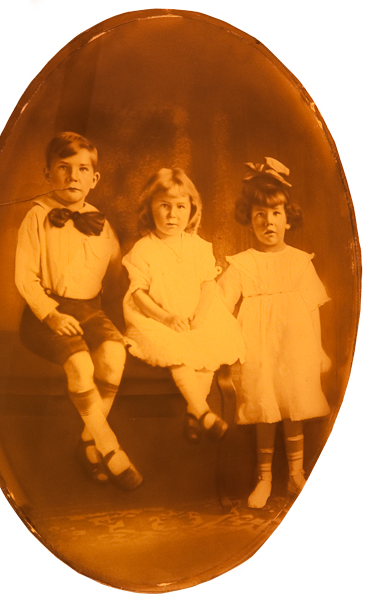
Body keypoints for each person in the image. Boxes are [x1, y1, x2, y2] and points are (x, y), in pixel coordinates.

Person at [15, 131, 141, 489]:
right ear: (47, 174)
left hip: (90, 310)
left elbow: (117, 276)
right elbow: (25, 278)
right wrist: (51, 314)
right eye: (63, 167)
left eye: (82, 169)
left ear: (94, 178)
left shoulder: (100, 222)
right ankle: (109, 446)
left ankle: (88, 439)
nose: (73, 176)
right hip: (48, 312)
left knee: (114, 357)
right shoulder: (37, 217)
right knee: (82, 365)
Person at [219, 157, 332, 508]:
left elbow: (312, 308)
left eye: (276, 214)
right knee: (265, 405)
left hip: (294, 342)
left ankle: (296, 475)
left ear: (288, 218)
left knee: (292, 404)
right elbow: (220, 304)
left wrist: (320, 351)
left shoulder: (300, 261)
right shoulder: (242, 263)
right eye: (259, 215)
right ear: (249, 219)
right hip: (257, 344)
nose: (268, 222)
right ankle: (264, 478)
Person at [122, 168, 245, 444]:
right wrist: (166, 318)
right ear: (150, 208)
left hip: (196, 312)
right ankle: (203, 412)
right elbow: (138, 292)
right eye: (164, 206)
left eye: (180, 206)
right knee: (175, 350)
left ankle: (193, 412)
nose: (172, 215)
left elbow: (208, 283)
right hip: (155, 315)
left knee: (209, 346)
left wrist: (200, 316)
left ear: (192, 209)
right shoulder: (144, 248)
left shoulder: (198, 247)